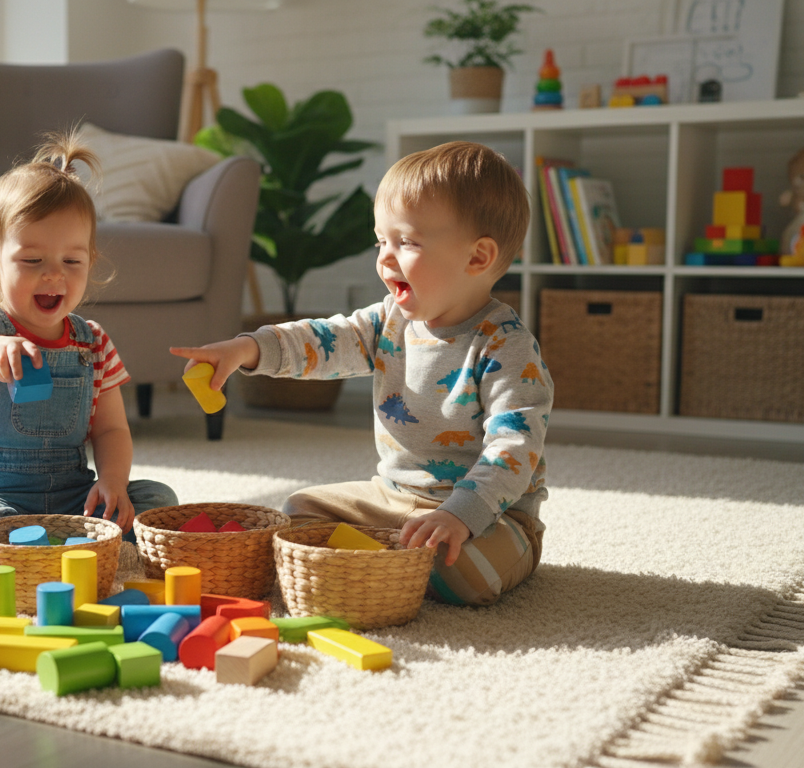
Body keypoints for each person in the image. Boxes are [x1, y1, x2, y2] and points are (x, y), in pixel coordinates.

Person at [171, 141, 551, 606]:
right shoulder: (389, 320)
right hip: (393, 499)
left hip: (494, 513)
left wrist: (460, 515)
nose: (385, 258)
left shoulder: (506, 345)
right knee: (297, 515)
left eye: (406, 242)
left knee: (470, 576)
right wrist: (248, 348)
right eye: (381, 241)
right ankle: (397, 560)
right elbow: (321, 340)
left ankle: (390, 562)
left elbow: (514, 450)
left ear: (477, 257)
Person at [0, 131, 177, 567]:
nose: (53, 276)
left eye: (72, 262)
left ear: (90, 261)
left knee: (158, 500)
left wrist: (113, 484)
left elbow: (111, 430)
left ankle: (55, 545)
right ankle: (46, 549)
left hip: (71, 497)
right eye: (32, 261)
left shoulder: (94, 340)